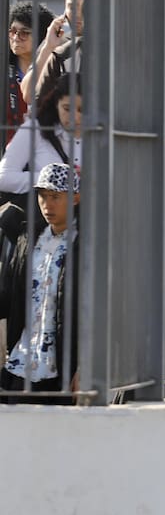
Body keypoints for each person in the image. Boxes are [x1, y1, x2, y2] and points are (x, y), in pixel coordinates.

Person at [0, 162, 81, 402]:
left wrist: (86, 365)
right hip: (20, 363)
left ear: (75, 199)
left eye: (55, 196)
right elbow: (9, 296)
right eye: (42, 196)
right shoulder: (28, 241)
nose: (47, 204)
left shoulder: (87, 246)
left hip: (62, 372)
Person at [0, 73, 83, 214]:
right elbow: (3, 177)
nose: (75, 117)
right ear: (56, 103)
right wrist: (50, 179)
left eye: (82, 110)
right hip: (44, 221)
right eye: (67, 109)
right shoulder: (35, 129)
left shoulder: (105, 133)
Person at [20, 0, 83, 106]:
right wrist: (49, 47)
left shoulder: (111, 45)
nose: (78, 14)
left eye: (84, 7)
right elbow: (27, 95)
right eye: (72, 7)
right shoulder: (56, 44)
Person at [5, 1, 55, 151]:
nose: (16, 37)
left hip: (46, 153)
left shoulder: (56, 71)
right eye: (13, 31)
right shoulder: (4, 72)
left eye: (24, 33)